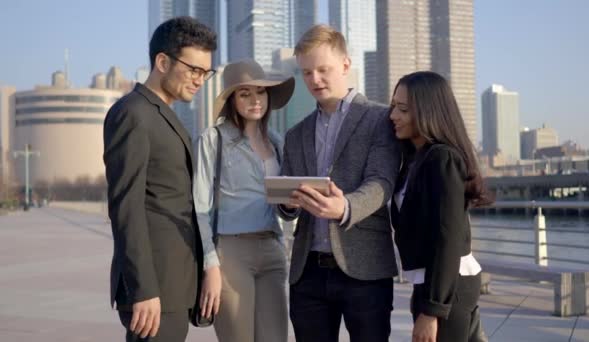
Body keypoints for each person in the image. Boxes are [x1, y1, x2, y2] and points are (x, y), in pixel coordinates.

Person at [279, 24, 400, 342]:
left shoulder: (379, 119)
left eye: (323, 69)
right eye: (306, 72)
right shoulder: (295, 135)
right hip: (308, 274)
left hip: (365, 268)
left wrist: (344, 207)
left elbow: (381, 182)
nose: (314, 79)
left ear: (346, 65)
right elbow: (288, 202)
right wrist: (287, 203)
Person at [103, 16, 217, 342]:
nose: (200, 80)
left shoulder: (163, 114)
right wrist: (143, 290)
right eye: (193, 69)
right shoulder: (133, 113)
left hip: (175, 284)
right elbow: (127, 207)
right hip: (154, 291)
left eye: (205, 73)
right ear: (162, 61)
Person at [192, 59, 295, 342]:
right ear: (231, 99)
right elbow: (198, 210)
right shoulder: (212, 140)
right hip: (230, 253)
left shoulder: (276, 142)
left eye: (260, 92)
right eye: (244, 93)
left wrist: (292, 204)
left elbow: (284, 208)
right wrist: (210, 266)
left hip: (272, 250)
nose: (255, 100)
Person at [389, 71, 491, 342]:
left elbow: (448, 239)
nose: (393, 116)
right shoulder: (415, 159)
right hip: (431, 284)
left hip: (448, 289)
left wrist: (432, 311)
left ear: (427, 111)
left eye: (402, 109)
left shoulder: (442, 159)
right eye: (393, 107)